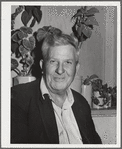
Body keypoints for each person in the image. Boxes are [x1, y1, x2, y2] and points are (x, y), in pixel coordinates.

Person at [11, 26, 102, 144]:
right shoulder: (19, 99)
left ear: (76, 68)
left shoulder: (82, 104)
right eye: (53, 61)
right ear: (42, 65)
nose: (60, 70)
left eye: (68, 62)